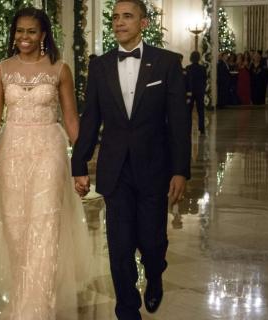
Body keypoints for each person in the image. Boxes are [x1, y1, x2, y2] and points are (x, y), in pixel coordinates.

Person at [0, 7, 92, 319]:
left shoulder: (59, 69)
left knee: (45, 225)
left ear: (43, 35)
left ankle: (39, 309)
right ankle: (22, 299)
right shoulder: (2, 69)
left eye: (31, 31)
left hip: (48, 150)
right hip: (11, 152)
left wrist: (80, 164)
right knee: (14, 228)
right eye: (20, 31)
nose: (24, 37)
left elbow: (70, 120)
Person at [71, 0, 191, 318]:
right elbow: (90, 118)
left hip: (154, 167)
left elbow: (179, 122)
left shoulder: (166, 63)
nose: (119, 22)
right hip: (115, 169)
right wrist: (79, 164)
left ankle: (154, 274)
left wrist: (180, 170)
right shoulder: (100, 66)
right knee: (120, 245)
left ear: (143, 23)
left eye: (127, 16)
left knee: (151, 242)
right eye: (115, 17)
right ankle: (126, 308)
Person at [185, 51, 207, 135]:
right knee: (200, 111)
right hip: (199, 92)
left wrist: (187, 91)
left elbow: (186, 81)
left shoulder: (188, 68)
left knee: (188, 111)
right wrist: (203, 89)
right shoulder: (203, 68)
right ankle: (202, 129)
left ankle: (188, 129)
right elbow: (205, 80)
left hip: (190, 92)